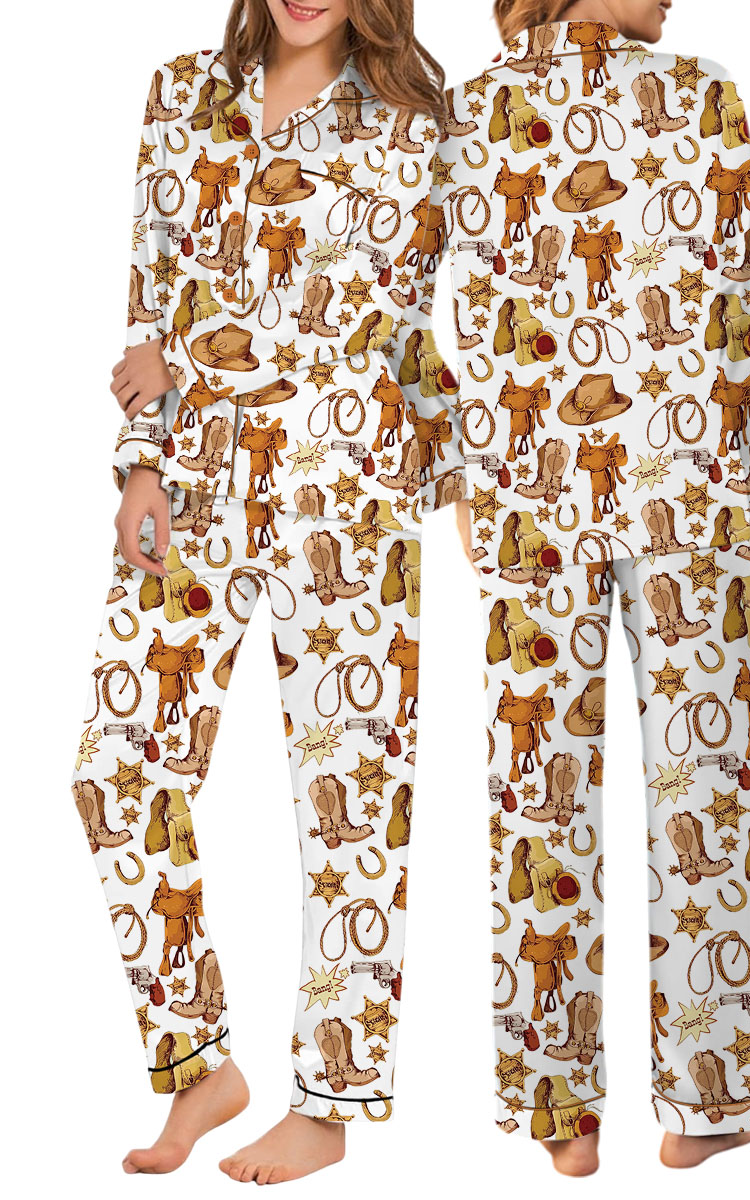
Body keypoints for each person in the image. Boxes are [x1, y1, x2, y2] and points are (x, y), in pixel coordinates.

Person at [71, 0, 465, 1183]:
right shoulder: (180, 92)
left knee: (352, 809)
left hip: (354, 494)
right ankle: (199, 1063)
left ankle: (327, 1107)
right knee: (115, 772)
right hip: (196, 488)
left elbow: (383, 333)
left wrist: (185, 360)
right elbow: (152, 290)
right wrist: (141, 459)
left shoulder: (421, 120)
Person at [440, 0, 750, 1176]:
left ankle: (561, 1112)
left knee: (535, 798)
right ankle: (703, 1104)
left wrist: (463, 479)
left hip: (531, 493)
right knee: (703, 792)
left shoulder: (471, 109)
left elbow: (417, 309)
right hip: (687, 490)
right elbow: (743, 298)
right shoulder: (701, 93)